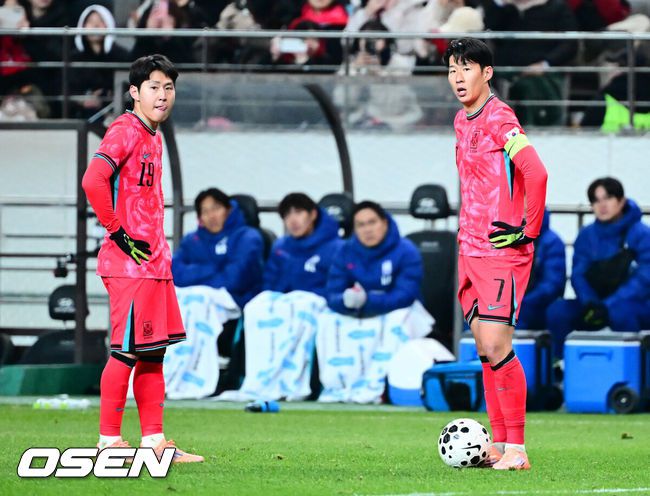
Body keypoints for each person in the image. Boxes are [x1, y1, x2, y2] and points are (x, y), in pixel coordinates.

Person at [82, 54, 203, 463]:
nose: (163, 95)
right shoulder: (125, 129)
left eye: (168, 87)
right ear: (135, 92)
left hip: (152, 264)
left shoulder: (153, 135)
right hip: (128, 263)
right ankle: (108, 442)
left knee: (153, 352)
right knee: (126, 351)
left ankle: (154, 442)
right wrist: (118, 232)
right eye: (154, 87)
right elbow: (93, 180)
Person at [445, 38, 548, 470]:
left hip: (500, 252)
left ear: (487, 73)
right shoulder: (461, 120)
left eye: (466, 68)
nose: (457, 78)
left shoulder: (500, 118)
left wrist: (528, 230)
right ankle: (499, 444)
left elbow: (536, 172)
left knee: (496, 344)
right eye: (452, 70)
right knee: (484, 352)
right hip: (468, 249)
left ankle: (518, 449)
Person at [546, 177, 650, 356]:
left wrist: (608, 306)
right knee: (558, 311)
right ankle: (560, 364)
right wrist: (590, 303)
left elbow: (644, 278)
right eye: (596, 200)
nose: (602, 205)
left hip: (633, 304)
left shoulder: (641, 234)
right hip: (594, 303)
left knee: (621, 313)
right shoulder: (586, 235)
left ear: (621, 201)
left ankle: (635, 367)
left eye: (608, 198)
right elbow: (578, 274)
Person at [171, 187, 264, 310]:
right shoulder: (191, 240)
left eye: (216, 208)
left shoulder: (247, 237)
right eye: (205, 211)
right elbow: (173, 274)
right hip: (192, 301)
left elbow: (235, 280)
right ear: (200, 218)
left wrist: (195, 282)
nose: (211, 216)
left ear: (229, 210)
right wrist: (212, 268)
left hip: (234, 304)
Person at [326, 200, 423, 316]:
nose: (367, 230)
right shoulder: (345, 251)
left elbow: (405, 295)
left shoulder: (407, 251)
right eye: (360, 225)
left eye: (372, 222)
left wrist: (367, 300)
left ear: (385, 223)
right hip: (355, 316)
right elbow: (332, 294)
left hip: (400, 315)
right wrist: (345, 300)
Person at [264, 192, 344, 297]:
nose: (293, 220)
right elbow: (268, 286)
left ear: (313, 214)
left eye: (298, 212)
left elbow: (338, 290)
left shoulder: (338, 248)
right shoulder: (280, 248)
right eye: (287, 215)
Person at [70, 4, 130, 119]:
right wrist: (83, 100)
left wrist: (105, 94)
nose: (95, 26)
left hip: (116, 111)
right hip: (83, 113)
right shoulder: (74, 57)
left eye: (100, 21)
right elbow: (68, 88)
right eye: (90, 22)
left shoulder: (121, 55)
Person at [516, 208, 566, 330]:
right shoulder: (505, 236)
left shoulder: (551, 242)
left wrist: (524, 302)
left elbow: (552, 284)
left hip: (535, 305)